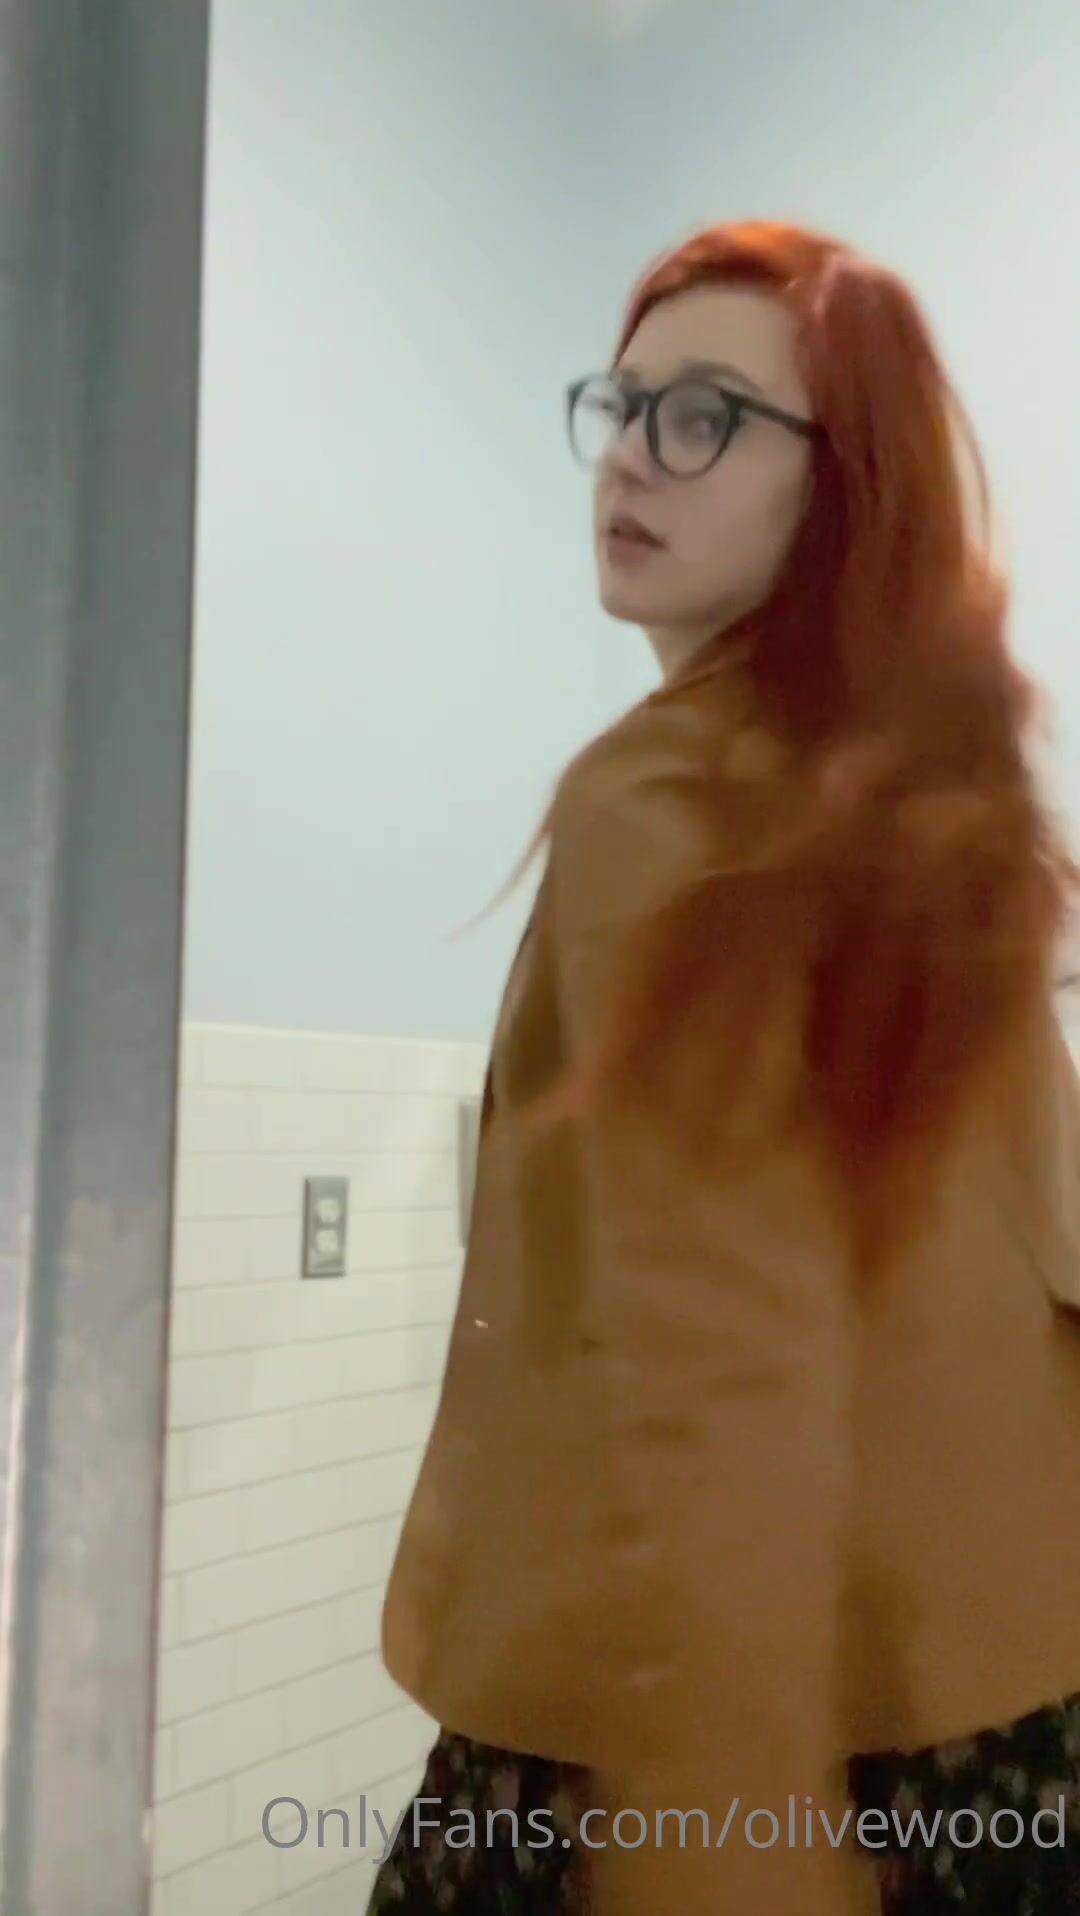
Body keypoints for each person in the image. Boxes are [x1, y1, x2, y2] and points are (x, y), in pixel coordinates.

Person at [373, 220, 1080, 1916]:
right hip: (1005, 1714)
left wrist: (723, 1850)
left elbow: (719, 1396)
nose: (630, 454)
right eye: (624, 404)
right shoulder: (936, 813)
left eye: (706, 416)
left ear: (844, 485)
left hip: (716, 1745)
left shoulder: (678, 806)